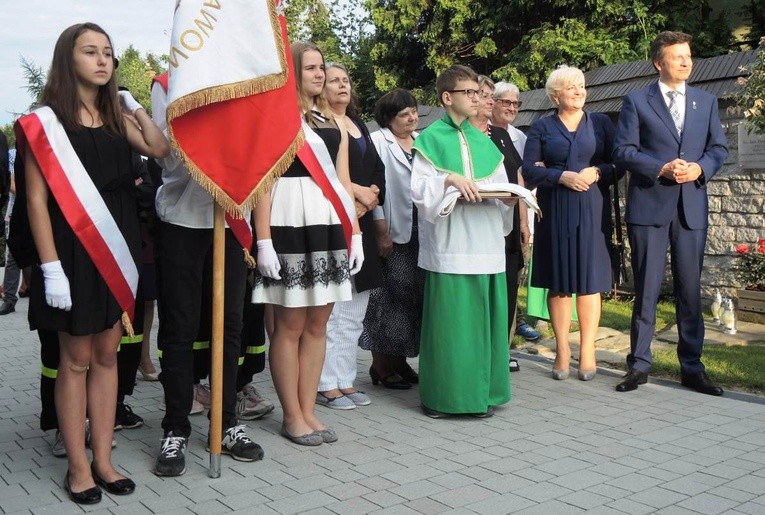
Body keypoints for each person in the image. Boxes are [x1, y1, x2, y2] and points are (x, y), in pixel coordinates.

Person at [17, 22, 169, 504]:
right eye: (91, 52)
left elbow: (160, 149)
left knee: (108, 355)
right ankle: (78, 467)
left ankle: (104, 459)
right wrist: (49, 267)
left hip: (116, 243)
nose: (103, 61)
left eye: (108, 53)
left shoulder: (115, 115)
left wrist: (134, 103)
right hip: (69, 252)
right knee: (75, 359)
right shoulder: (44, 123)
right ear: (69, 59)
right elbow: (36, 202)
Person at [150, 72, 264, 476]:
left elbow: (261, 142)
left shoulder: (245, 74)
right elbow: (165, 151)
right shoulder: (170, 80)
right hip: (182, 218)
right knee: (179, 329)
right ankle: (176, 426)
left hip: (231, 218)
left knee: (229, 327)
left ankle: (227, 421)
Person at [252, 41, 362, 445]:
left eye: (321, 68)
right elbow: (262, 182)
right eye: (312, 68)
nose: (320, 74)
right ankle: (291, 415)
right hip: (287, 221)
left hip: (329, 223)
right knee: (290, 324)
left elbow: (343, 181)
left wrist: (356, 234)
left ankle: (310, 412)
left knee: (318, 324)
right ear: (293, 72)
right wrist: (263, 240)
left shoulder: (332, 120)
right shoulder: (275, 118)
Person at [613, 31, 728, 395]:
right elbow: (624, 151)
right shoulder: (636, 101)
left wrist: (700, 169)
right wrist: (661, 167)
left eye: (688, 56)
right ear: (658, 63)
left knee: (690, 291)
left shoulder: (705, 102)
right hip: (650, 205)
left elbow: (719, 149)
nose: (686, 62)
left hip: (691, 206)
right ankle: (639, 365)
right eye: (677, 56)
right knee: (646, 289)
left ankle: (692, 368)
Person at [412, 64, 514, 418]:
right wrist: (449, 180)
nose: (477, 98)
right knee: (452, 329)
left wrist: (510, 198)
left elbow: (501, 185)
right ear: (446, 97)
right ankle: (446, 398)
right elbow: (419, 190)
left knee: (485, 323)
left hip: (485, 242)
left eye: (478, 92)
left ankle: (486, 394)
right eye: (469, 93)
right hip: (452, 245)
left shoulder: (484, 142)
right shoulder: (429, 139)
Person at [522, 66, 621, 381]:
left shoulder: (602, 123)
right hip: (557, 207)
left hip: (592, 206)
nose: (579, 91)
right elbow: (530, 169)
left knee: (590, 280)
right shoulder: (541, 128)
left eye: (581, 86)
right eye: (571, 87)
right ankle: (563, 349)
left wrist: (598, 172)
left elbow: (618, 162)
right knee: (560, 281)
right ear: (555, 96)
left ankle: (588, 350)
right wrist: (560, 175)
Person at [317, 62, 385, 409]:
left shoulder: (359, 125)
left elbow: (378, 169)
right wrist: (355, 192)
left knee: (356, 312)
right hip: (331, 223)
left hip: (362, 226)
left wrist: (370, 194)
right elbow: (323, 172)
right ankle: (325, 382)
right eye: (334, 80)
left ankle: (345, 380)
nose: (342, 85)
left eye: (346, 79)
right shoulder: (318, 125)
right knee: (334, 311)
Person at [360, 89, 424, 389]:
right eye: (404, 114)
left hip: (420, 231)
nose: (412, 117)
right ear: (388, 118)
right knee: (387, 299)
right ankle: (381, 365)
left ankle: (400, 360)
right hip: (392, 230)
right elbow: (376, 190)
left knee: (410, 298)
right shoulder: (378, 142)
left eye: (413, 111)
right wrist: (381, 230)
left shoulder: (421, 141)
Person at [470, 77, 531, 374]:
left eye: (487, 96)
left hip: (507, 225)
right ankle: (481, 350)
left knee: (507, 287)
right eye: (483, 96)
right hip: (481, 225)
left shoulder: (503, 135)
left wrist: (524, 222)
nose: (488, 102)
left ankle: (501, 350)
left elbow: (516, 180)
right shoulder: (470, 135)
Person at [491, 82, 541, 346]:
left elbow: (523, 181)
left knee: (512, 279)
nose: (511, 108)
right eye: (505, 102)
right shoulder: (483, 133)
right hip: (489, 216)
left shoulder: (519, 137)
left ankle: (505, 344)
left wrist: (524, 222)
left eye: (515, 103)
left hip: (515, 216)